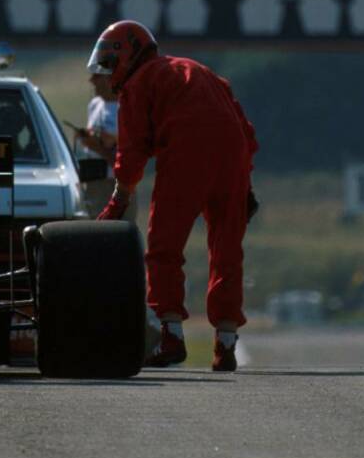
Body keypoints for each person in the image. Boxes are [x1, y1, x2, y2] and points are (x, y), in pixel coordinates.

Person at [89, 20, 258, 372]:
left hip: (187, 154)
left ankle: (171, 336)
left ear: (127, 55)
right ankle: (225, 341)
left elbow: (132, 151)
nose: (105, 73)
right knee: (227, 249)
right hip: (233, 155)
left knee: (164, 247)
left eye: (108, 63)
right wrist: (246, 184)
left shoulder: (139, 84)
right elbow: (243, 126)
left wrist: (119, 198)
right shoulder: (198, 70)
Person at [73, 73, 137, 221]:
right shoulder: (95, 104)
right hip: (95, 181)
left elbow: (130, 159)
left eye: (97, 76)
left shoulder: (128, 107)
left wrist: (98, 147)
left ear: (110, 79)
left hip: (117, 184)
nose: (92, 81)